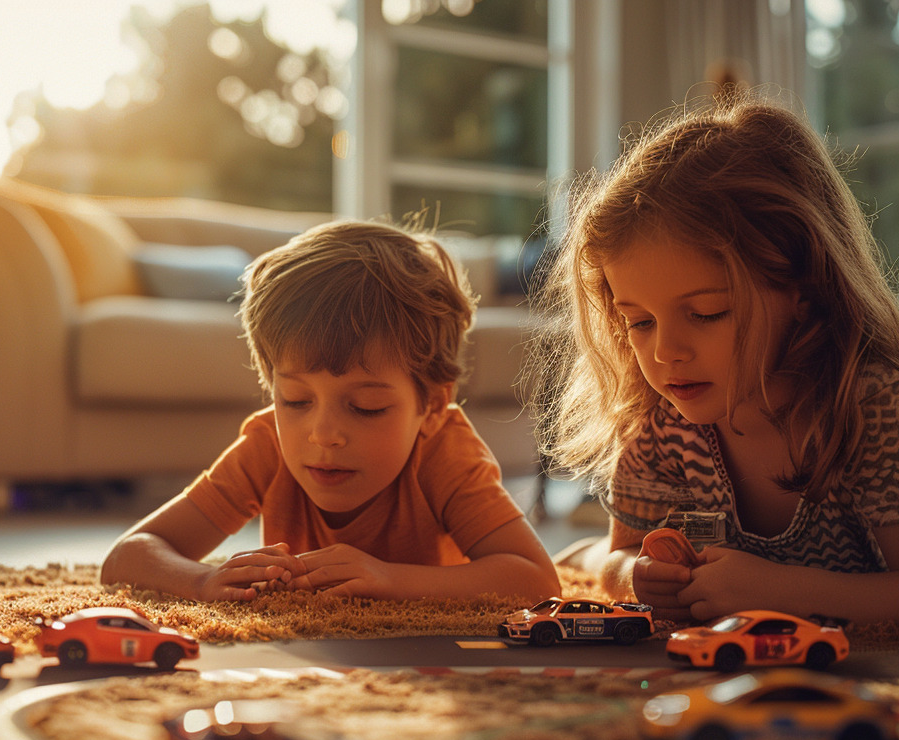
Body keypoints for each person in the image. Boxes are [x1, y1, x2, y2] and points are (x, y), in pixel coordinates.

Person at [534, 94, 899, 629]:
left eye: (707, 313)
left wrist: (778, 591)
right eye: (640, 322)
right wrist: (634, 575)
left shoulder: (873, 406)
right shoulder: (659, 423)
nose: (664, 351)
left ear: (804, 289)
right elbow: (624, 553)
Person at [101, 219, 560, 603]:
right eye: (296, 401)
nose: (322, 434)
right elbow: (128, 557)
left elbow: (535, 580)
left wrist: (389, 579)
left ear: (433, 403)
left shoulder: (444, 453)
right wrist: (201, 581)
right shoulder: (267, 447)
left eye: (366, 407)